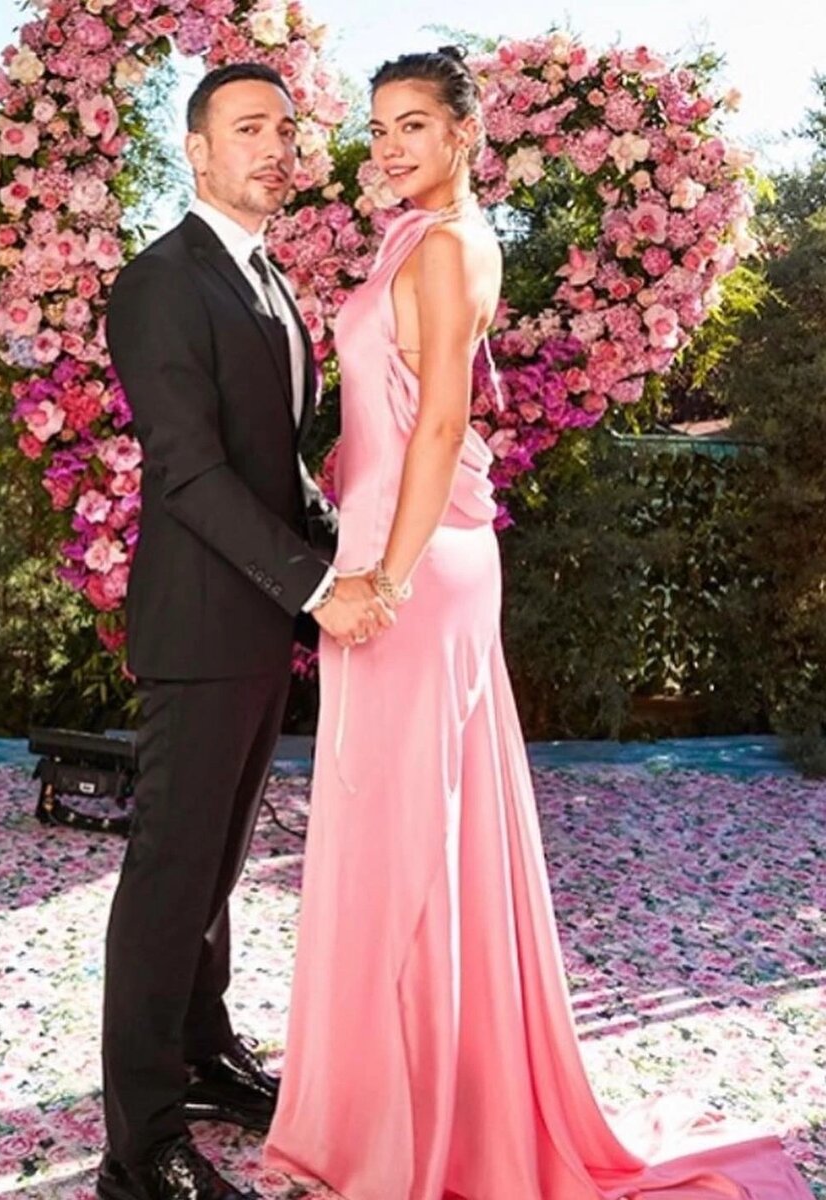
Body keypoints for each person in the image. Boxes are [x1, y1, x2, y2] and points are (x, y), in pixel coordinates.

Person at [264, 47, 813, 1200]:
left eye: (415, 124)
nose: (391, 147)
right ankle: (398, 1099)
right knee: (392, 823)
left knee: (409, 832)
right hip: (387, 545)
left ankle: (422, 1124)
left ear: (467, 132)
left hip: (416, 563)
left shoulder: (449, 245)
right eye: (381, 126)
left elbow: (437, 424)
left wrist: (387, 575)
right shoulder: (412, 236)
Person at [97, 63, 392, 1200]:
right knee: (169, 877)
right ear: (198, 151)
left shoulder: (269, 279)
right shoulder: (160, 283)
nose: (274, 147)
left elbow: (276, 473)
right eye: (248, 128)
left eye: (285, 129)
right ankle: (141, 1148)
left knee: (215, 867)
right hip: (198, 629)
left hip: (261, 629)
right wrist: (317, 590)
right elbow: (190, 472)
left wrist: (359, 562)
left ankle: (204, 1053)